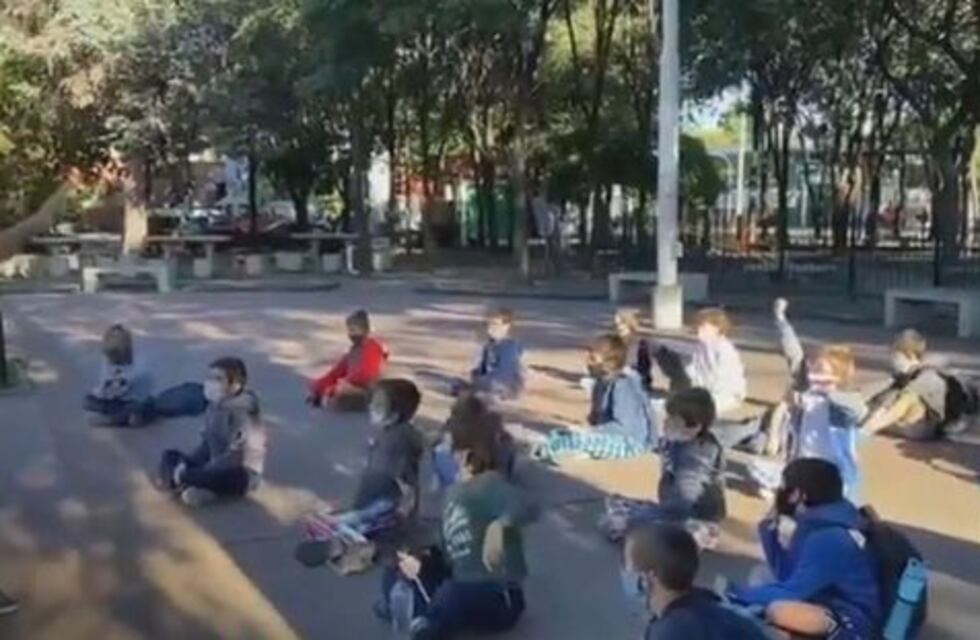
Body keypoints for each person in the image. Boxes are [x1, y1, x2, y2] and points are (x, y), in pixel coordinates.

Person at [376, 408, 539, 640]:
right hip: (461, 576)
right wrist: (420, 557)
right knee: (403, 565)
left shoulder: (489, 484)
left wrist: (499, 525)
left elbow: (528, 506)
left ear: (465, 456)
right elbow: (447, 542)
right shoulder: (454, 492)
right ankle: (413, 613)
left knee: (454, 595)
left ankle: (428, 626)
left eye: (445, 449)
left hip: (499, 596)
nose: (438, 455)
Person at [730, 458, 880, 640]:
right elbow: (786, 576)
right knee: (760, 575)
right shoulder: (815, 522)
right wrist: (768, 528)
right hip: (825, 599)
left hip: (853, 618)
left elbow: (791, 591)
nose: (780, 493)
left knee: (778, 611)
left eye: (786, 488)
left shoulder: (830, 537)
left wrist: (734, 594)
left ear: (800, 495)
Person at [298, 379, 425, 563]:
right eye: (374, 402)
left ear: (395, 414)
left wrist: (402, 513)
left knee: (337, 524)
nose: (372, 407)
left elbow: (405, 483)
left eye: (379, 405)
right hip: (374, 503)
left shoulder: (398, 440)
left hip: (385, 507)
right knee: (329, 521)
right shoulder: (388, 433)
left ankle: (359, 547)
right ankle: (348, 539)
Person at [601, 388, 725, 549]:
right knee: (619, 503)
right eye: (668, 417)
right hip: (674, 508)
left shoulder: (695, 457)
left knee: (625, 522)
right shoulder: (679, 440)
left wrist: (639, 518)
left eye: (673, 420)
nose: (666, 423)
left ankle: (692, 538)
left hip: (694, 517)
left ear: (694, 427)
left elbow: (683, 501)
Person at [621, 524, 771, 640]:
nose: (625, 574)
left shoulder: (675, 630)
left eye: (627, 566)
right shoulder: (704, 603)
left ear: (648, 578)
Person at [157, 357, 266, 507]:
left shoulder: (244, 413)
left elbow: (235, 458)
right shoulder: (214, 406)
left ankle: (186, 483)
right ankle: (185, 483)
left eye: (218, 379)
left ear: (235, 385)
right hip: (212, 463)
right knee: (169, 456)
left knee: (199, 476)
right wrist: (190, 462)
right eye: (210, 378)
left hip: (240, 473)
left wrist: (198, 472)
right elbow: (206, 445)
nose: (211, 383)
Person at [533, 334, 657, 462]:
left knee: (578, 441)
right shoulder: (600, 383)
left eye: (593, 358)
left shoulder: (622, 386)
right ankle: (547, 449)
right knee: (561, 434)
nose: (587, 362)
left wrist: (589, 432)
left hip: (629, 443)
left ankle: (550, 455)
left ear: (610, 362)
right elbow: (595, 418)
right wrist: (582, 429)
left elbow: (623, 427)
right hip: (607, 437)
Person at [863, 329, 978, 441]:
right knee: (884, 403)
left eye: (896, 356)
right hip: (913, 425)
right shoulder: (905, 375)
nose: (893, 361)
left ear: (910, 355)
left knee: (908, 397)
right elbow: (885, 392)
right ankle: (870, 423)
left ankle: (866, 428)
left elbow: (909, 402)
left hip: (924, 426)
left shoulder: (929, 375)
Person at [650, 308, 747, 415]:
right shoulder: (703, 346)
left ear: (717, 328)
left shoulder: (725, 351)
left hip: (725, 395)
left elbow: (720, 382)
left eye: (704, 328)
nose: (699, 332)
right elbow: (682, 348)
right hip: (704, 392)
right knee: (669, 404)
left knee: (681, 408)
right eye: (698, 328)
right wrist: (659, 342)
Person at [308, 310, 389, 411]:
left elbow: (366, 373)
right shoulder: (353, 352)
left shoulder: (373, 347)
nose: (352, 334)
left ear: (365, 330)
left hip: (370, 390)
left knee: (339, 396)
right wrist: (318, 387)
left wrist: (342, 385)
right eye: (350, 330)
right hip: (354, 388)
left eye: (356, 330)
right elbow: (335, 373)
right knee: (330, 393)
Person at [431, 395, 517, 490]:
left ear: (476, 424)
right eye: (452, 416)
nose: (450, 423)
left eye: (457, 417)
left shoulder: (501, 454)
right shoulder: (440, 451)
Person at [83, 325, 154, 427]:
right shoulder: (107, 360)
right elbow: (105, 381)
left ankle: (113, 420)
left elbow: (124, 388)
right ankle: (122, 417)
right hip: (115, 400)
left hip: (132, 398)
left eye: (114, 355)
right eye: (109, 355)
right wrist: (99, 392)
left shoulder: (138, 365)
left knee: (142, 406)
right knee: (87, 400)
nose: (111, 359)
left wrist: (109, 392)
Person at [456, 308, 525, 402]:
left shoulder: (509, 346)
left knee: (487, 388)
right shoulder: (489, 345)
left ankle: (481, 393)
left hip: (505, 385)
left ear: (506, 326)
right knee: (459, 384)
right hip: (491, 381)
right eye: (488, 325)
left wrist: (480, 381)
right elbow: (482, 367)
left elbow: (504, 372)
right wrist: (473, 373)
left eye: (495, 325)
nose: (490, 329)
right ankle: (475, 391)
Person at [581, 309, 653, 394]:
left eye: (621, 324)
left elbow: (642, 368)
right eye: (616, 324)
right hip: (617, 376)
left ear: (629, 324)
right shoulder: (615, 341)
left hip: (634, 380)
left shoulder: (639, 344)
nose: (618, 327)